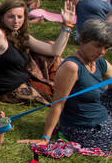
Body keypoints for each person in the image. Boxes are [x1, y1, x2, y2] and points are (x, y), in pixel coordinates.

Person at [32, 17, 112, 149]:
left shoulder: (98, 62)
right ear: (82, 40)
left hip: (101, 119)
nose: (102, 52)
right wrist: (46, 138)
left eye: (106, 48)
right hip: (83, 128)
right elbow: (58, 103)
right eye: (97, 46)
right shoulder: (72, 67)